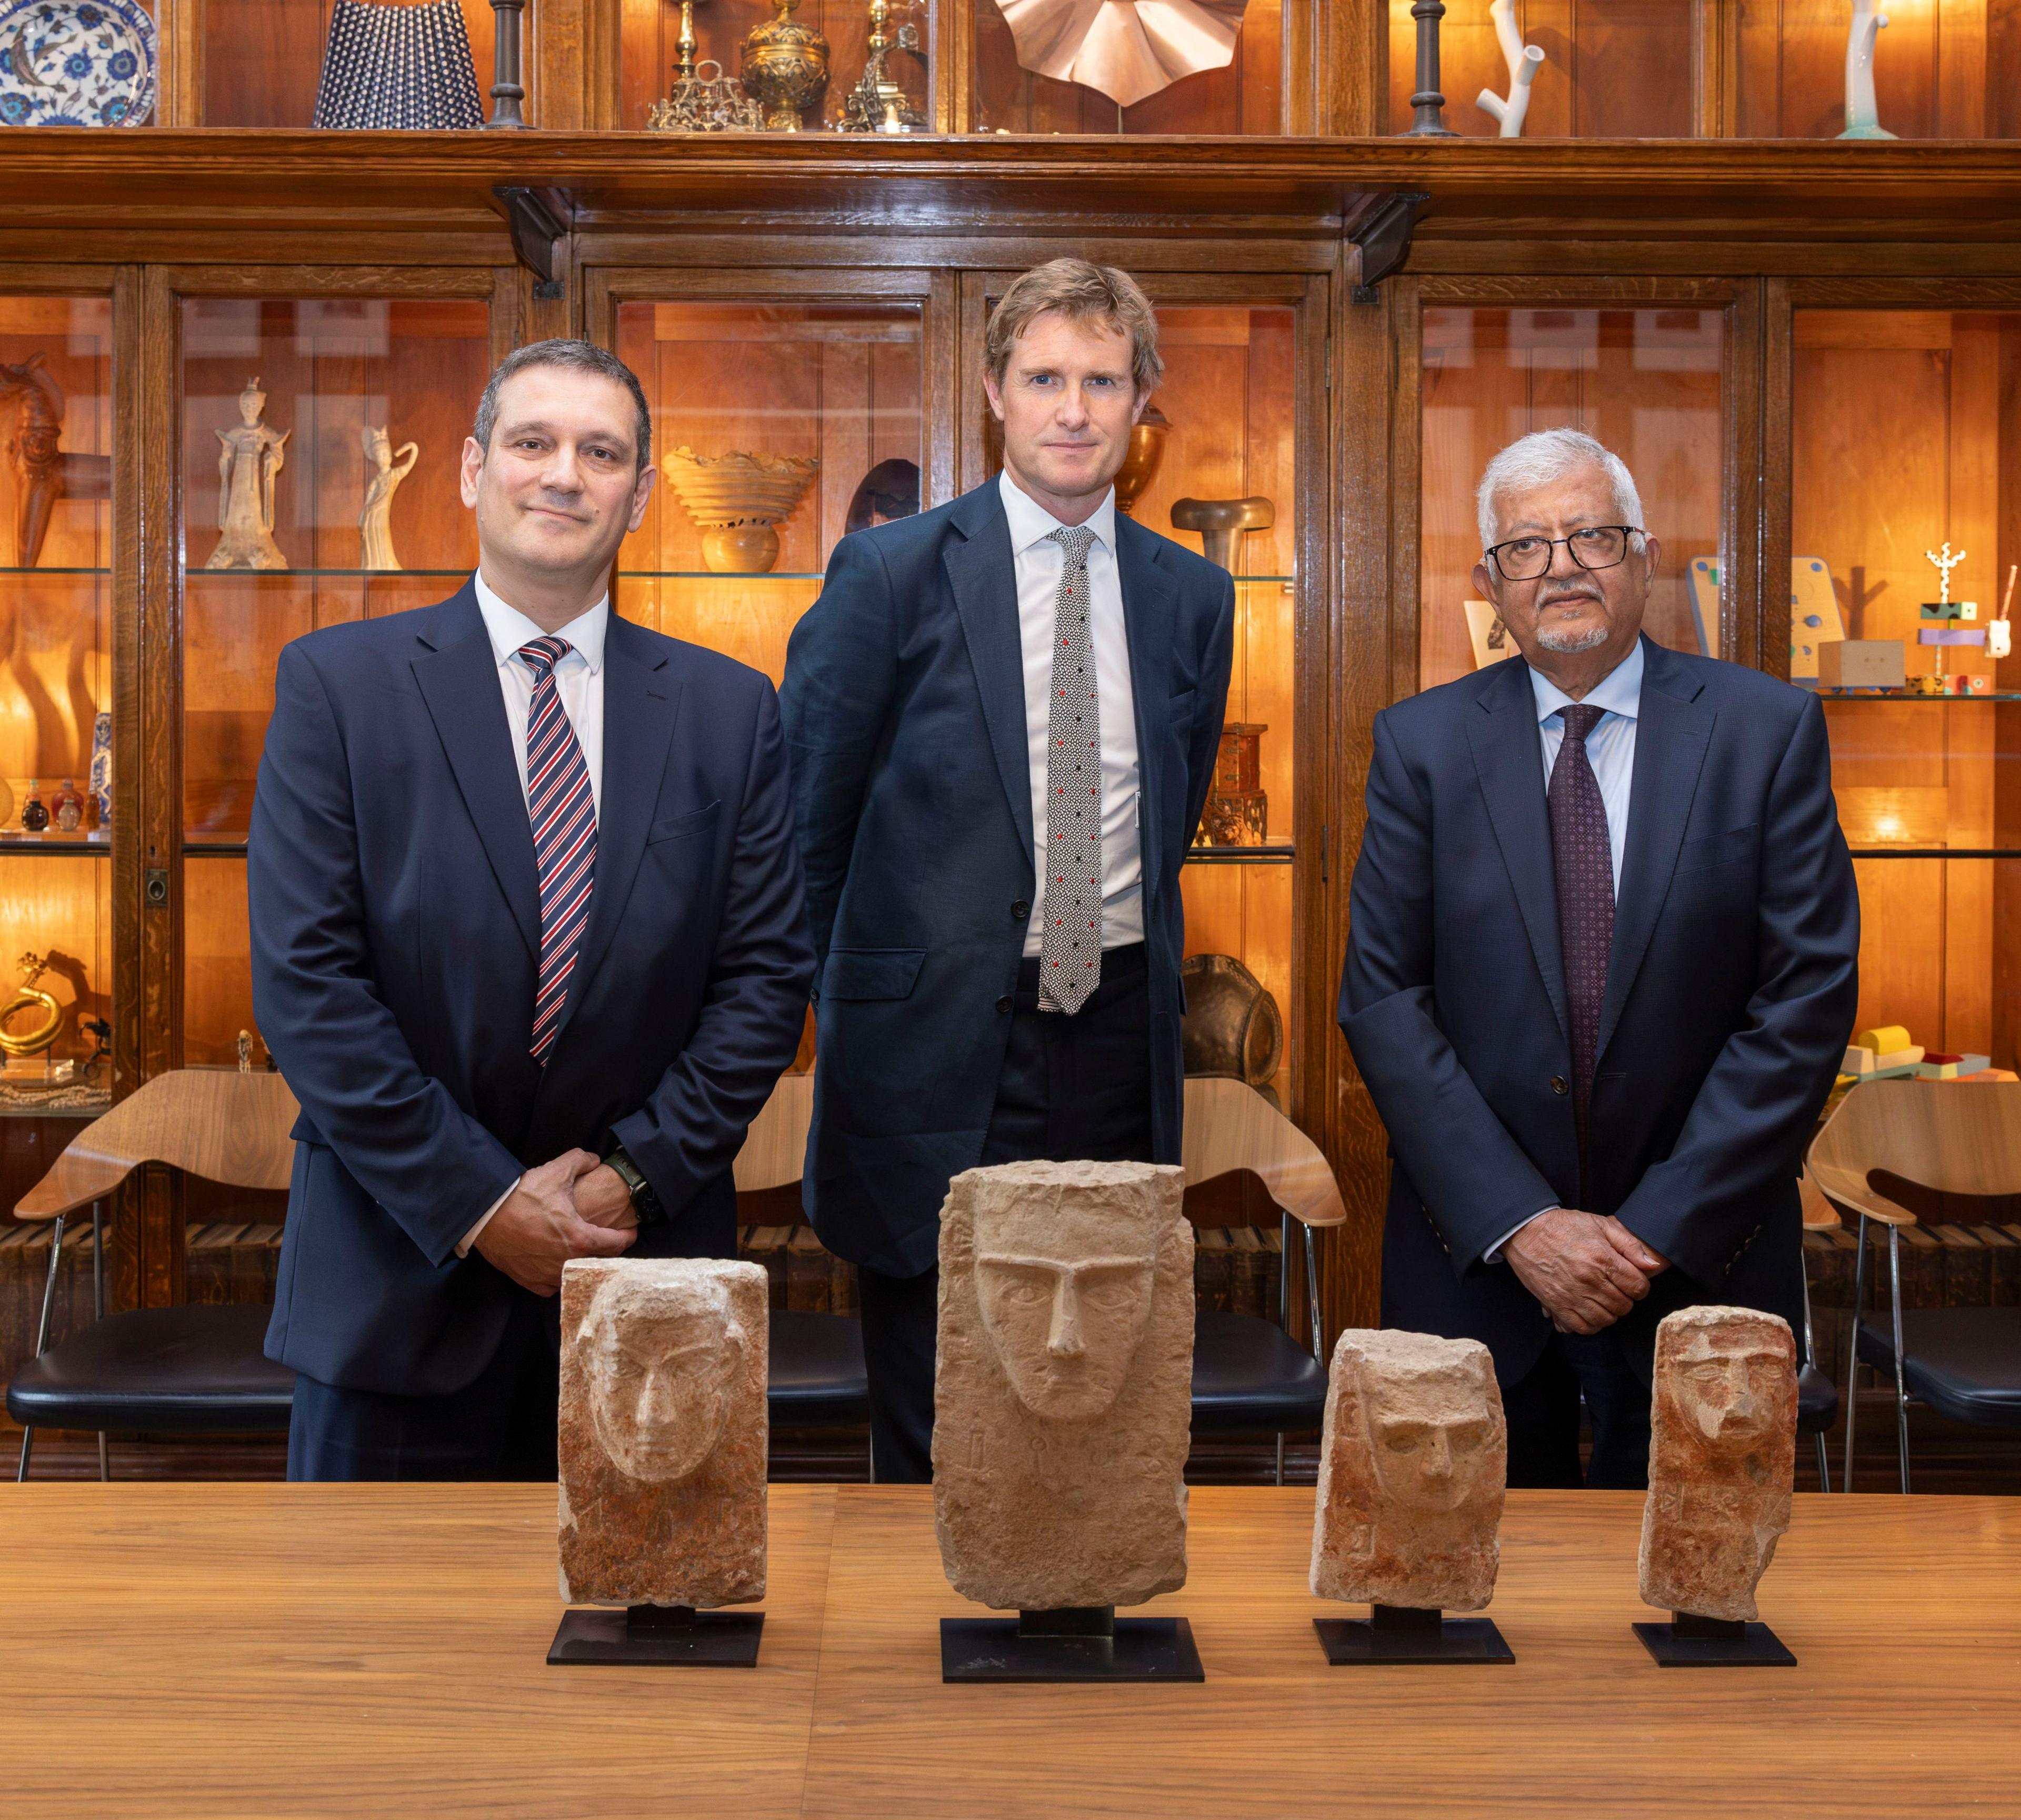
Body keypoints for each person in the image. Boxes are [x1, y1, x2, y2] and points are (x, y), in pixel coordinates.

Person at [250, 339, 814, 1481]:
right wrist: (481, 1202)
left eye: (600, 452)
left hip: (647, 1292)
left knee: (655, 1651)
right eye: (534, 442)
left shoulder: (728, 711)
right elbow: (307, 986)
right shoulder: (337, 687)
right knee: (383, 1661)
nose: (565, 474)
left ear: (641, 494)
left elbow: (763, 984)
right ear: (469, 470)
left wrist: (626, 1183)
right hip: (395, 1292)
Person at [781, 258, 1235, 1482]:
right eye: (1044, 378)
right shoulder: (890, 574)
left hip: (1118, 1035)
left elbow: (1173, 805)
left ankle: (1081, 1619)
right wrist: (843, 1000)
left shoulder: (1195, 594)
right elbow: (807, 822)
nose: (1073, 409)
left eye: (1101, 379)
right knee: (937, 1389)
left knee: (1098, 1375)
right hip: (927, 1045)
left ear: (1143, 402)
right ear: (995, 392)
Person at [1339, 427, 1857, 1489]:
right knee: (1454, 1607)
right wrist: (1524, 1225)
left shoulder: (1765, 731)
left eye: (1593, 536)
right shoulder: (1421, 747)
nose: (1563, 566)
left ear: (1645, 558)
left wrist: (1655, 1228)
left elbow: (1805, 996)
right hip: (1477, 1267)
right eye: (1527, 546)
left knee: (1702, 1609)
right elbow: (1385, 1000)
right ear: (1492, 582)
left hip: (1702, 1264)